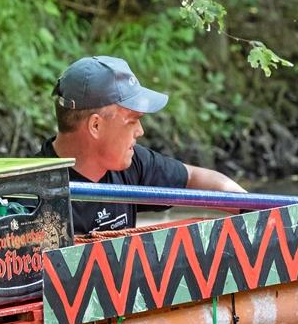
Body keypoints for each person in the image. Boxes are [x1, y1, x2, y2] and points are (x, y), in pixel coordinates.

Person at [39, 55, 245, 234]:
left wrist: (256, 212)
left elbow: (193, 178)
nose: (140, 131)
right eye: (132, 120)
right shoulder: (29, 196)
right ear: (95, 125)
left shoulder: (134, 162)